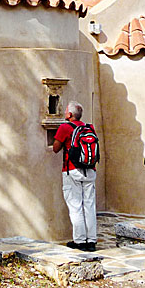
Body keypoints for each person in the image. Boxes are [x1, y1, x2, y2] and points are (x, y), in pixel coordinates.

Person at [52, 101, 97, 252]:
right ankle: (91, 240)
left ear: (70, 114)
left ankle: (80, 241)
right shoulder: (89, 128)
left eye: (66, 111)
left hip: (72, 170)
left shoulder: (65, 127)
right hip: (90, 170)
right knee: (89, 206)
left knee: (75, 206)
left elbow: (55, 148)